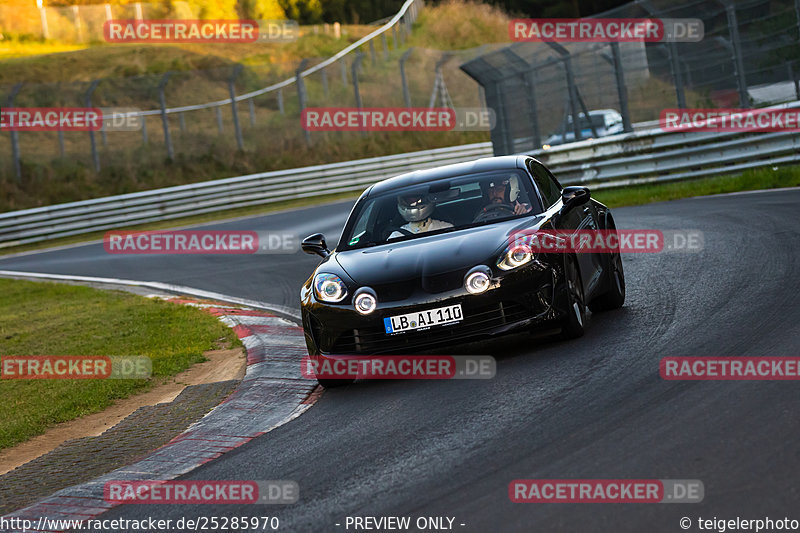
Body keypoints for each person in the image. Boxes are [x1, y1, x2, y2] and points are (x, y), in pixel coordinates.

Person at [388, 192, 452, 239]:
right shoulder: (396, 236)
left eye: (418, 201)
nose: (413, 205)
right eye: (409, 202)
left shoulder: (445, 228)